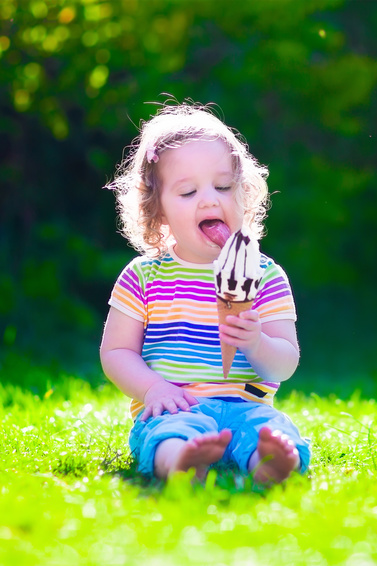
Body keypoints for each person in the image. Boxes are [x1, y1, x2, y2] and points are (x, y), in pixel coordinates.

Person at [100, 103, 310, 484]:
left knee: (270, 430)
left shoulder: (264, 275)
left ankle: (273, 463)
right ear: (157, 210)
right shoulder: (144, 276)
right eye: (188, 191)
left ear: (244, 194)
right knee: (167, 435)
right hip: (175, 406)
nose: (210, 199)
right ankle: (181, 459)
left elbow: (285, 363)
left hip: (248, 406)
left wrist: (257, 343)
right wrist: (153, 389)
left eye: (224, 186)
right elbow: (116, 352)